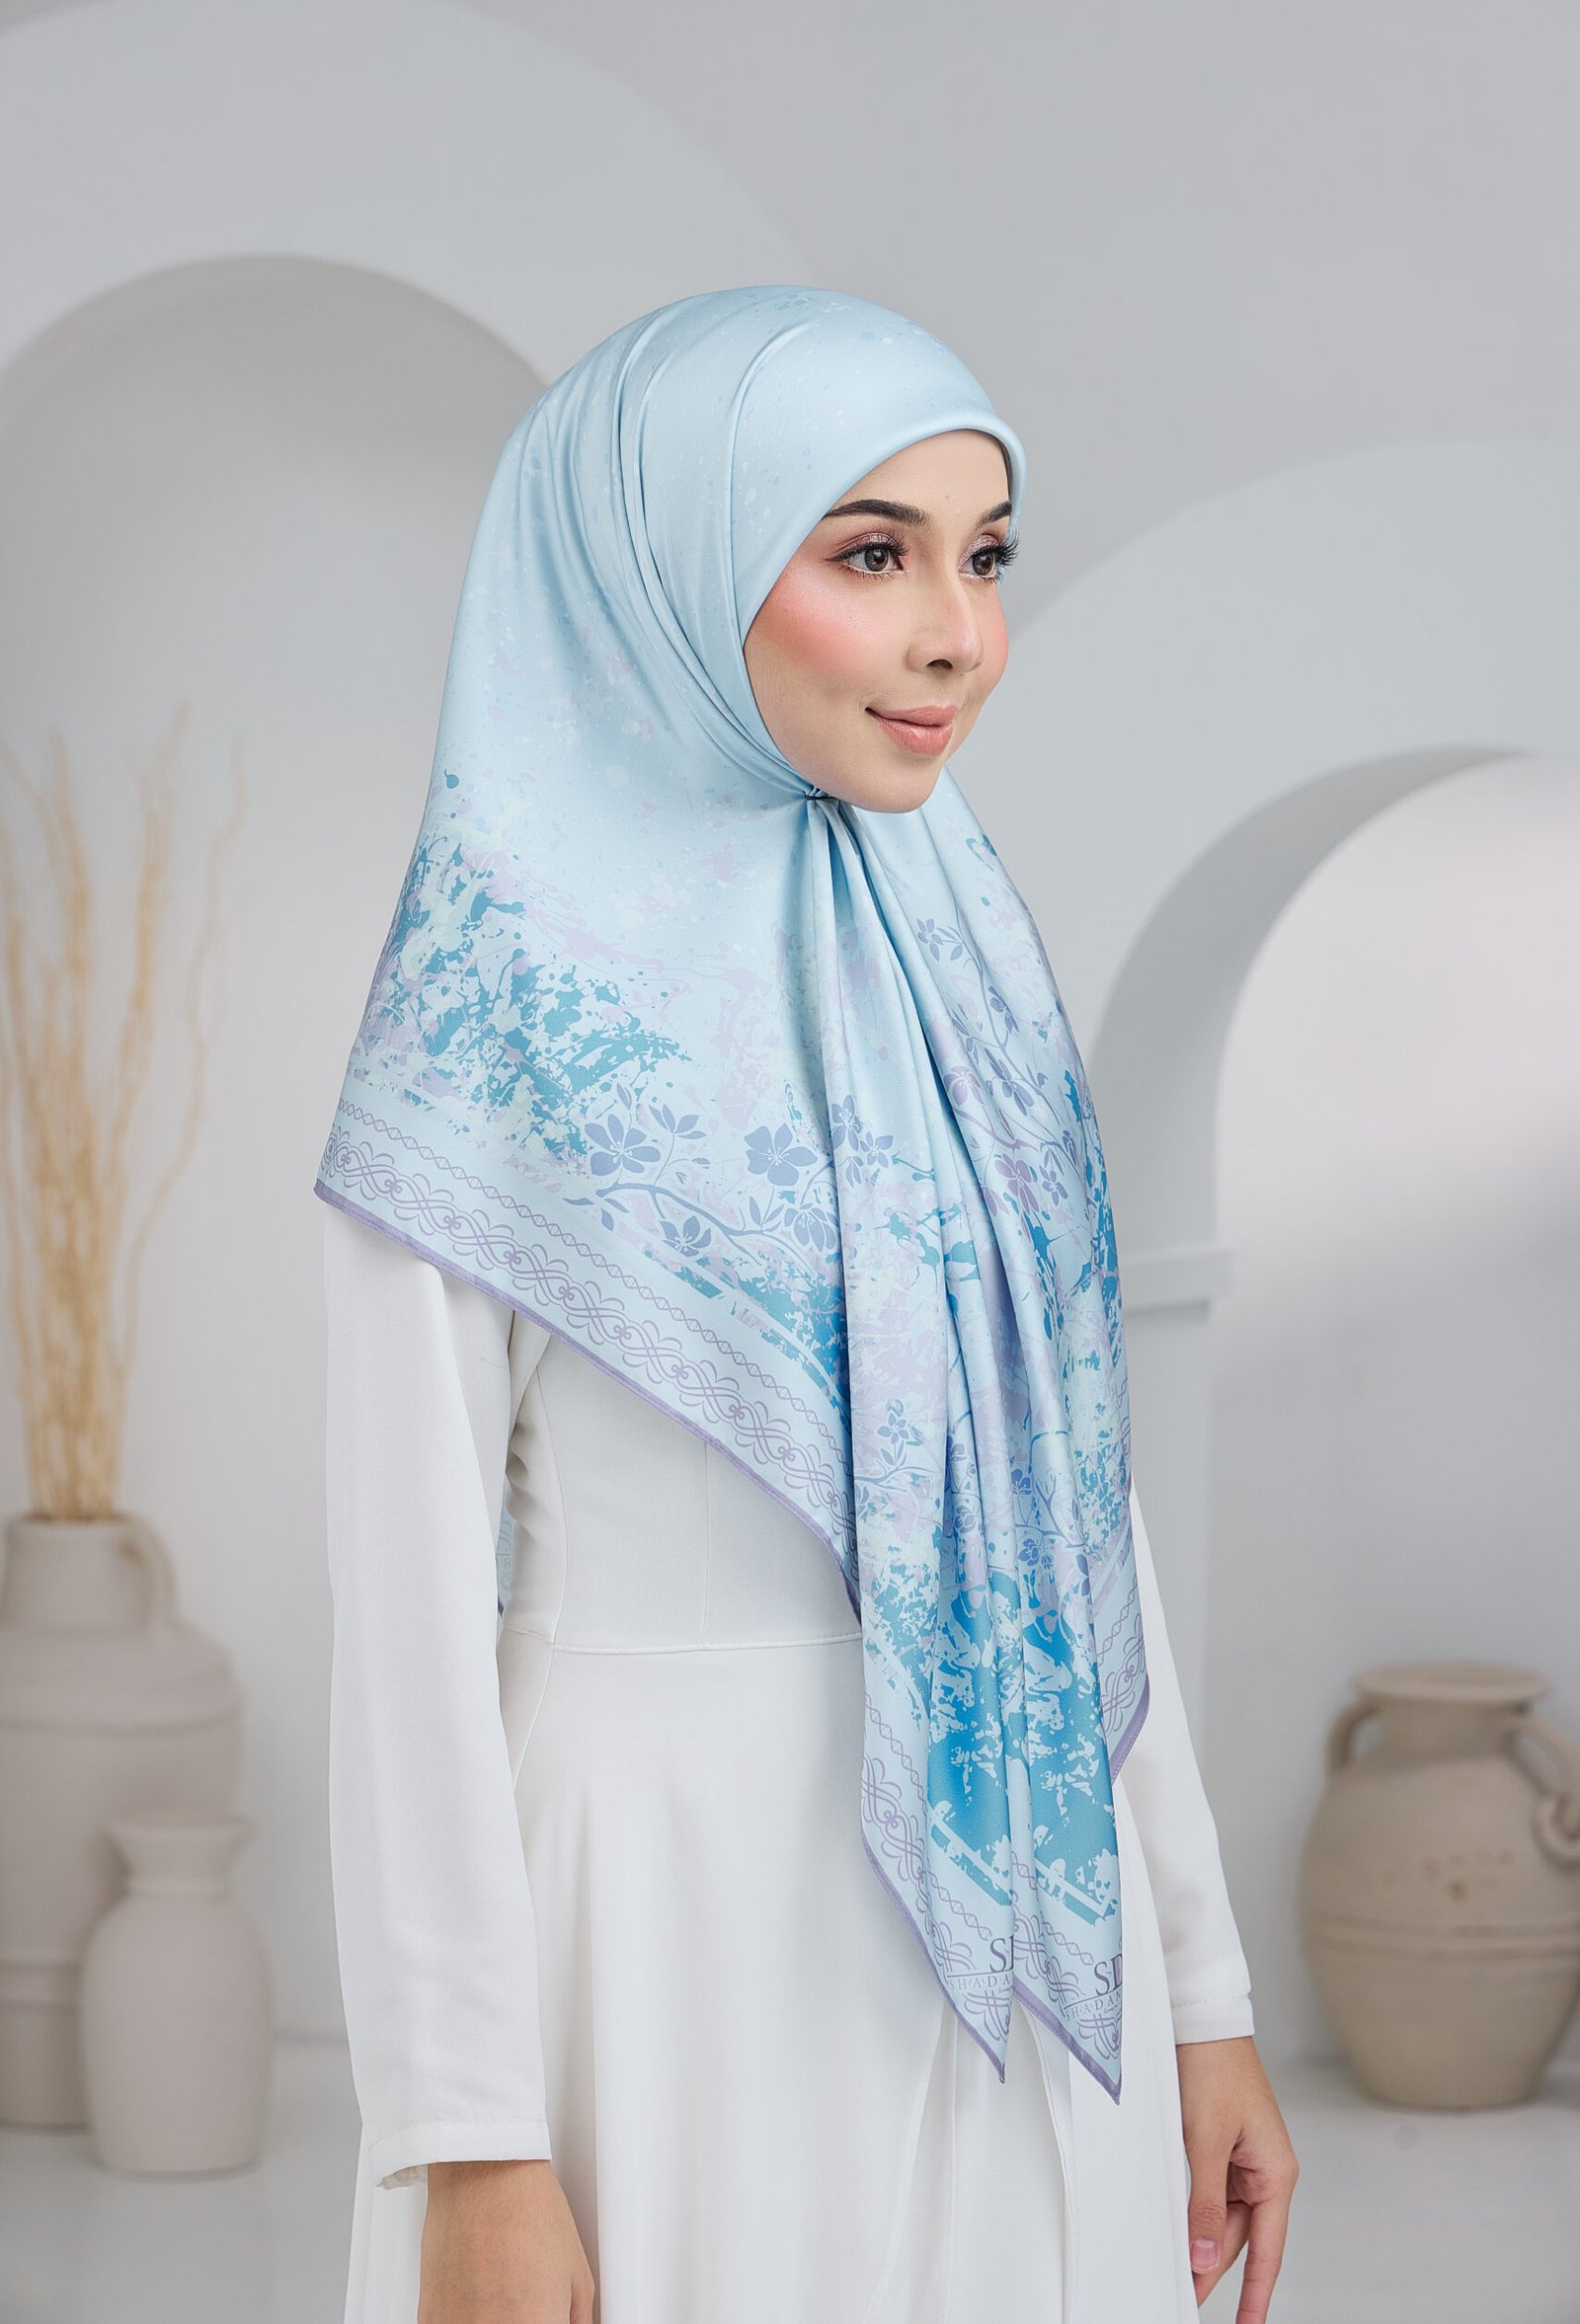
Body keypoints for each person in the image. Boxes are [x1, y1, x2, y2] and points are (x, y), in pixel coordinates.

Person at [317, 285, 1299, 2324]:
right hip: (665, 1938)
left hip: (1034, 1958)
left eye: (983, 555)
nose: (959, 634)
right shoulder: (494, 1008)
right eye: (870, 553)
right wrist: (470, 2140)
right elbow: (401, 1621)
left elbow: (1064, 1501)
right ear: (667, 564)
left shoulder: (959, 953)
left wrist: (1202, 1986)